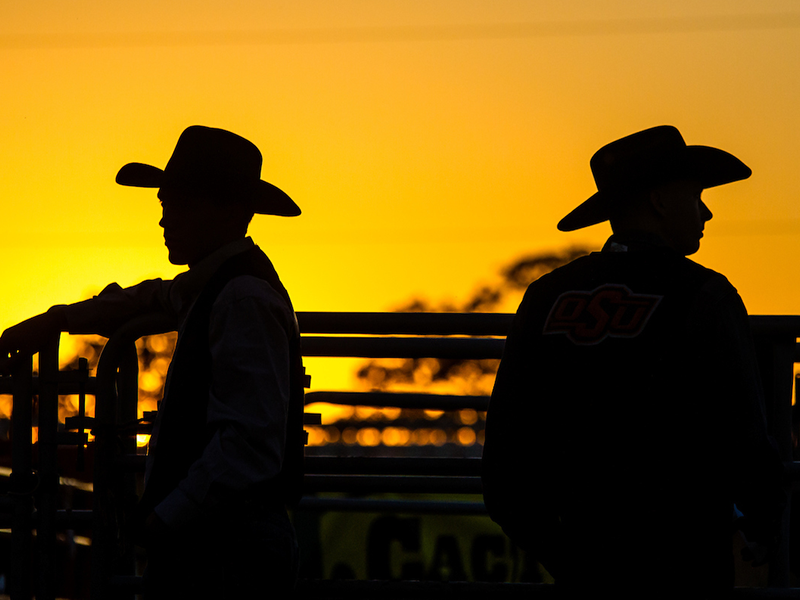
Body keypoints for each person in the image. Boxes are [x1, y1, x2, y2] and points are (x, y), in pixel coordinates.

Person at [0, 125, 305, 598]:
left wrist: (166, 516)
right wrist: (56, 319)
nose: (165, 219)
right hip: (224, 543)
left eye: (180, 203)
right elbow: (147, 299)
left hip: (225, 551)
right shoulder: (221, 286)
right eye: (166, 203)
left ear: (227, 211)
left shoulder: (240, 297)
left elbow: (249, 445)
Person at [481, 125, 785, 598]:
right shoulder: (704, 295)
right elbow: (747, 440)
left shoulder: (545, 297)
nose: (706, 210)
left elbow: (505, 459)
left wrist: (566, 557)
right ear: (661, 201)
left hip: (581, 565)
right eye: (697, 194)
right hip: (685, 568)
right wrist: (766, 529)